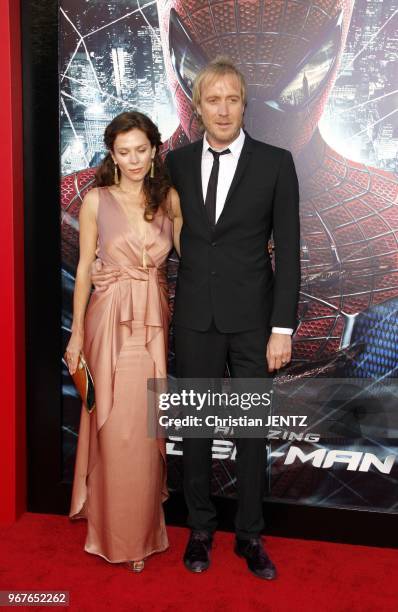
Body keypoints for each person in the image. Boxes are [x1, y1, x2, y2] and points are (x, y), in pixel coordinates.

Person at [164, 57, 300, 580]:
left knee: (251, 433)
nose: (223, 109)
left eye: (233, 98)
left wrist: (281, 329)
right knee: (194, 430)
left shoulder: (275, 163)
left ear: (245, 104)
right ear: (197, 107)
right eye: (212, 99)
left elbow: (288, 252)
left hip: (253, 323)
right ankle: (200, 529)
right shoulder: (173, 163)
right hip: (195, 318)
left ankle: (249, 534)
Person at [65, 111, 182, 572]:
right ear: (111, 155)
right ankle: (110, 532)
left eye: (141, 149)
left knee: (144, 429)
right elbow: (82, 270)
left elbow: (195, 248)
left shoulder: (170, 199)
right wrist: (75, 332)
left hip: (151, 319)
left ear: (154, 150)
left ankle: (142, 534)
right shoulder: (95, 200)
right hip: (107, 318)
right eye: (123, 151)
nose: (133, 159)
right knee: (111, 431)